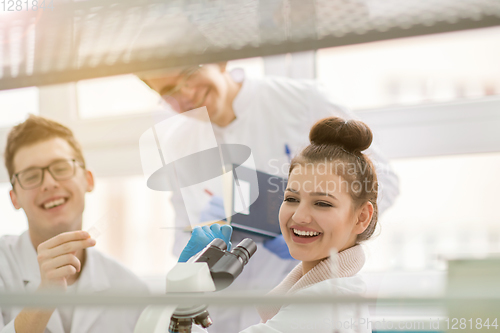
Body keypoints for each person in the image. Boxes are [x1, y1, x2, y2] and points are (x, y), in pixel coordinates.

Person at [140, 63, 399, 331]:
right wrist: (196, 251)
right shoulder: (178, 143)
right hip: (233, 308)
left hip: (287, 293)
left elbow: (378, 181)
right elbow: (183, 230)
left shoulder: (300, 100)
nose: (187, 93)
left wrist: (287, 230)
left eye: (189, 74)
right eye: (291, 198)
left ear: (218, 62)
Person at [180, 116, 377, 333]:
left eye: (322, 203)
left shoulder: (321, 309)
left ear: (361, 217)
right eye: (291, 199)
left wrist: (183, 292)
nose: (300, 217)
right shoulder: (324, 293)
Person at [0, 115, 149, 333]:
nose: (49, 184)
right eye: (31, 176)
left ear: (88, 180)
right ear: (14, 198)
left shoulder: (132, 290)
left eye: (61, 168)